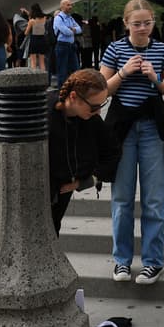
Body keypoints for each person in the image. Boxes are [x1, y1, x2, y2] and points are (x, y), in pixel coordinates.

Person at [100, 0, 164, 285]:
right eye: (137, 24)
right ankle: (121, 261)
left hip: (151, 130)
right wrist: (122, 72)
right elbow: (100, 91)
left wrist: (155, 78)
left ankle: (152, 262)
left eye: (147, 23)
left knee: (154, 200)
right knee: (121, 199)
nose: (143, 28)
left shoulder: (161, 50)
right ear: (126, 24)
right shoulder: (115, 49)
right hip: (122, 131)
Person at [47, 69, 120, 234]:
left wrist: (87, 180)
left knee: (52, 231)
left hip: (62, 186)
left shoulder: (91, 119)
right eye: (94, 106)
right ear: (73, 97)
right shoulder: (45, 114)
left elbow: (113, 152)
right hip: (32, 187)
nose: (98, 112)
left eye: (102, 105)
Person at [52, 0, 83, 87]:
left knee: (75, 68)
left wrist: (72, 29)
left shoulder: (70, 18)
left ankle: (74, 87)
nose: (70, 7)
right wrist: (73, 30)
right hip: (62, 46)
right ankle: (61, 90)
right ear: (62, 6)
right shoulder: (58, 18)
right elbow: (66, 32)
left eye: (71, 5)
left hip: (71, 46)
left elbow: (80, 29)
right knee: (62, 70)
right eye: (68, 5)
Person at [25, 3, 49, 72]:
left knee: (33, 61)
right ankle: (43, 77)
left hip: (34, 40)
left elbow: (26, 33)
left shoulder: (32, 21)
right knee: (42, 62)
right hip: (42, 39)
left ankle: (34, 78)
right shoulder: (44, 18)